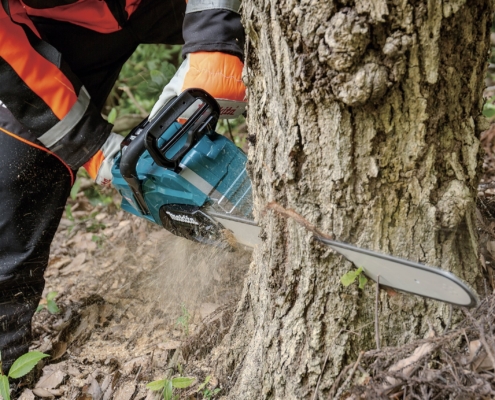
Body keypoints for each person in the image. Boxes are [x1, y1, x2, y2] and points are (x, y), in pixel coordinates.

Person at [0, 0, 246, 372]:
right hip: (54, 29)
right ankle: (7, 364)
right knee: (12, 178)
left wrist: (215, 37)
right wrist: (94, 147)